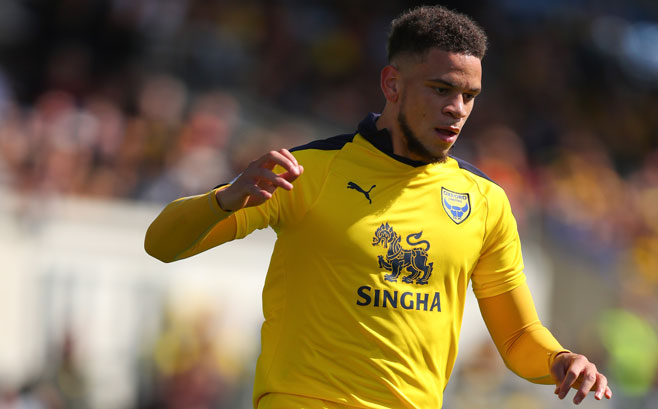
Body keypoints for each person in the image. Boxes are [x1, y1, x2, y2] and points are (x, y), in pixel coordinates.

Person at [145, 5, 612, 409]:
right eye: (441, 89)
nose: (458, 109)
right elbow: (161, 244)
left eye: (469, 96)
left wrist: (559, 360)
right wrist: (223, 200)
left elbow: (516, 337)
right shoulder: (310, 171)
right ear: (392, 84)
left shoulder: (485, 201)